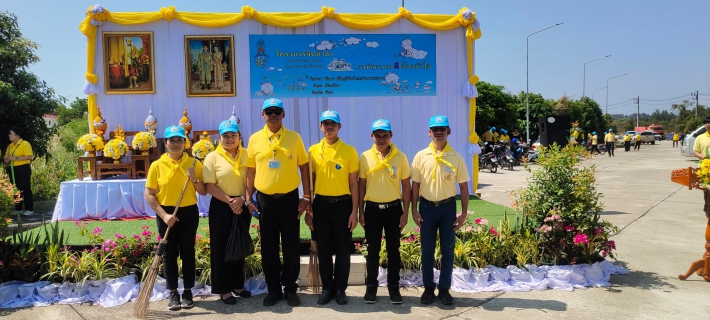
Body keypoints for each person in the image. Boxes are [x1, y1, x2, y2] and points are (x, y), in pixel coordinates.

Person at [245, 98, 311, 307]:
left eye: (277, 111)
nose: (273, 115)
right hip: (264, 200)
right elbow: (251, 171)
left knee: (291, 245)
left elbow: (304, 168)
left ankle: (290, 289)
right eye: (269, 111)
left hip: (289, 199)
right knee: (269, 247)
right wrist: (248, 198)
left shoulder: (294, 138)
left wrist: (307, 197)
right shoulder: (255, 139)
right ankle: (273, 290)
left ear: (283, 114)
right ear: (262, 115)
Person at [144, 125, 207, 311]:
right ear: (166, 143)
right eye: (172, 140)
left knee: (188, 251)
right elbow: (149, 194)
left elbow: (203, 191)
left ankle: (188, 292)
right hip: (166, 213)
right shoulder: (157, 165)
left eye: (180, 140)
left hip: (188, 212)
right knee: (169, 254)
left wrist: (195, 179)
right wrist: (164, 215)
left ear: (185, 143)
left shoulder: (195, 163)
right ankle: (173, 293)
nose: (176, 144)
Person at [411, 115, 470, 305]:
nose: (438, 132)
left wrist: (463, 213)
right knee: (427, 250)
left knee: (447, 250)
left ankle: (444, 289)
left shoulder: (456, 157)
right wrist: (414, 209)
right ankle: (428, 288)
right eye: (434, 129)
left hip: (447, 208)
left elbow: (463, 187)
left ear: (448, 132)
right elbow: (415, 185)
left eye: (442, 129)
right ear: (429, 132)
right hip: (427, 207)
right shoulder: (421, 156)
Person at [305, 110, 359, 305]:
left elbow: (354, 184)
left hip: (343, 205)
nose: (329, 127)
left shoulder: (349, 151)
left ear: (339, 127)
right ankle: (327, 287)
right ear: (320, 126)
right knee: (324, 249)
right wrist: (309, 210)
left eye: (332, 124)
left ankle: (340, 289)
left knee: (344, 250)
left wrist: (354, 211)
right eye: (325, 123)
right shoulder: (312, 151)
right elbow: (310, 183)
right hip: (321, 205)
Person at [358, 119, 411, 304]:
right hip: (372, 209)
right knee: (372, 250)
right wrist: (360, 211)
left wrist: (405, 212)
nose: (381, 139)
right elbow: (361, 185)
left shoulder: (400, 157)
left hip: (394, 209)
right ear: (372, 136)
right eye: (378, 135)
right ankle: (371, 286)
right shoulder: (364, 157)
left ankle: (393, 286)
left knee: (393, 250)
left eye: (385, 135)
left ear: (391, 136)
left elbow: (406, 185)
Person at [202, 119, 252, 305]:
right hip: (222, 205)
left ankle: (238, 285)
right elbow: (209, 186)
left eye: (233, 135)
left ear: (239, 137)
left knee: (239, 244)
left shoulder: (247, 154)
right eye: (226, 136)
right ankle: (224, 289)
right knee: (221, 247)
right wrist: (231, 201)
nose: (230, 139)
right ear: (219, 137)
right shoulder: (212, 157)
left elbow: (251, 179)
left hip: (242, 203)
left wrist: (243, 200)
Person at [4, 129, 34, 216]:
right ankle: (18, 208)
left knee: (25, 187)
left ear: (17, 135)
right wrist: (6, 159)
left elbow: (30, 156)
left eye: (11, 134)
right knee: (15, 188)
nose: (9, 135)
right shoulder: (10, 146)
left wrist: (16, 158)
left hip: (23, 168)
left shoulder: (25, 144)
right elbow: (6, 158)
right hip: (13, 169)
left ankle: (29, 209)